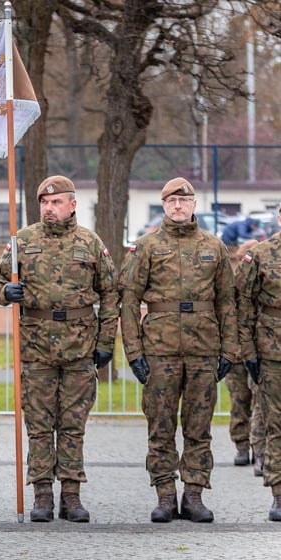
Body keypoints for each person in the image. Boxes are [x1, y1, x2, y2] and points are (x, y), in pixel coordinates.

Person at [0, 175, 117, 523]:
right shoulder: (23, 241)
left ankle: (71, 495)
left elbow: (110, 294)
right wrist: (6, 293)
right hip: (36, 347)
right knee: (40, 425)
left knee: (73, 425)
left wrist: (106, 342)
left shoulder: (90, 243)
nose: (49, 208)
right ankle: (42, 494)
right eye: (44, 203)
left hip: (79, 347)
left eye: (56, 202)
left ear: (72, 205)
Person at [120, 177, 238, 524]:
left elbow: (227, 302)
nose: (178, 207)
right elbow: (128, 300)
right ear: (163, 206)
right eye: (171, 201)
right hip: (160, 351)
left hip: (203, 350)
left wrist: (229, 349)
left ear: (194, 205)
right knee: (160, 426)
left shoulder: (214, 247)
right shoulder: (146, 247)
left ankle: (194, 495)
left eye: (183, 201)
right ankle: (165, 495)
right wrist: (134, 351)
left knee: (199, 427)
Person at [236, 201, 281, 521]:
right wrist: (248, 352)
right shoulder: (262, 254)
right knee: (276, 426)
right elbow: (244, 306)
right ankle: (279, 494)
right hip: (273, 353)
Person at [225, 240, 264, 471]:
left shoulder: (262, 282)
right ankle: (242, 445)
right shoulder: (232, 284)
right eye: (241, 258)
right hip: (237, 354)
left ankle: (260, 449)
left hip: (259, 351)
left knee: (261, 401)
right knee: (239, 402)